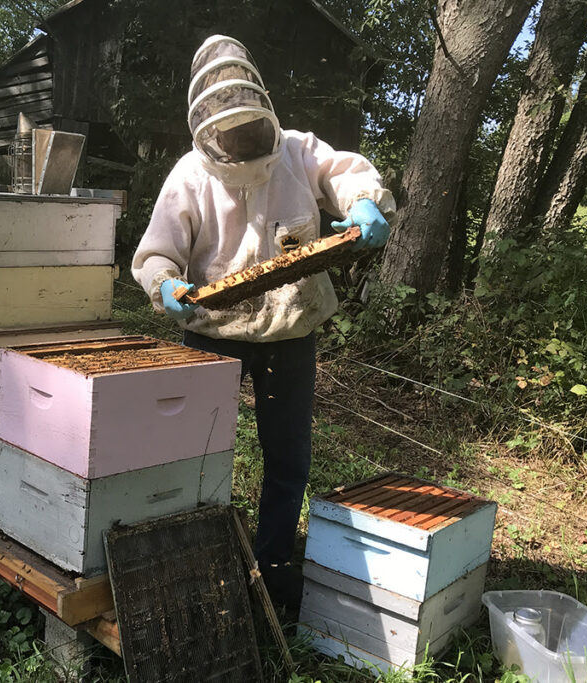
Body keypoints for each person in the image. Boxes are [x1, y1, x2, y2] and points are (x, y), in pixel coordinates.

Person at [131, 35, 396, 606]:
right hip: (212, 337)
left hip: (291, 332)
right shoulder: (188, 175)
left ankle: (273, 566)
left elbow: (344, 173)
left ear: (263, 110)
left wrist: (363, 200)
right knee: (196, 457)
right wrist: (166, 284)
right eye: (228, 134)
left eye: (248, 130)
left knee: (288, 459)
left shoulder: (299, 150)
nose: (241, 143)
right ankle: (200, 561)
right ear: (206, 127)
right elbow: (156, 252)